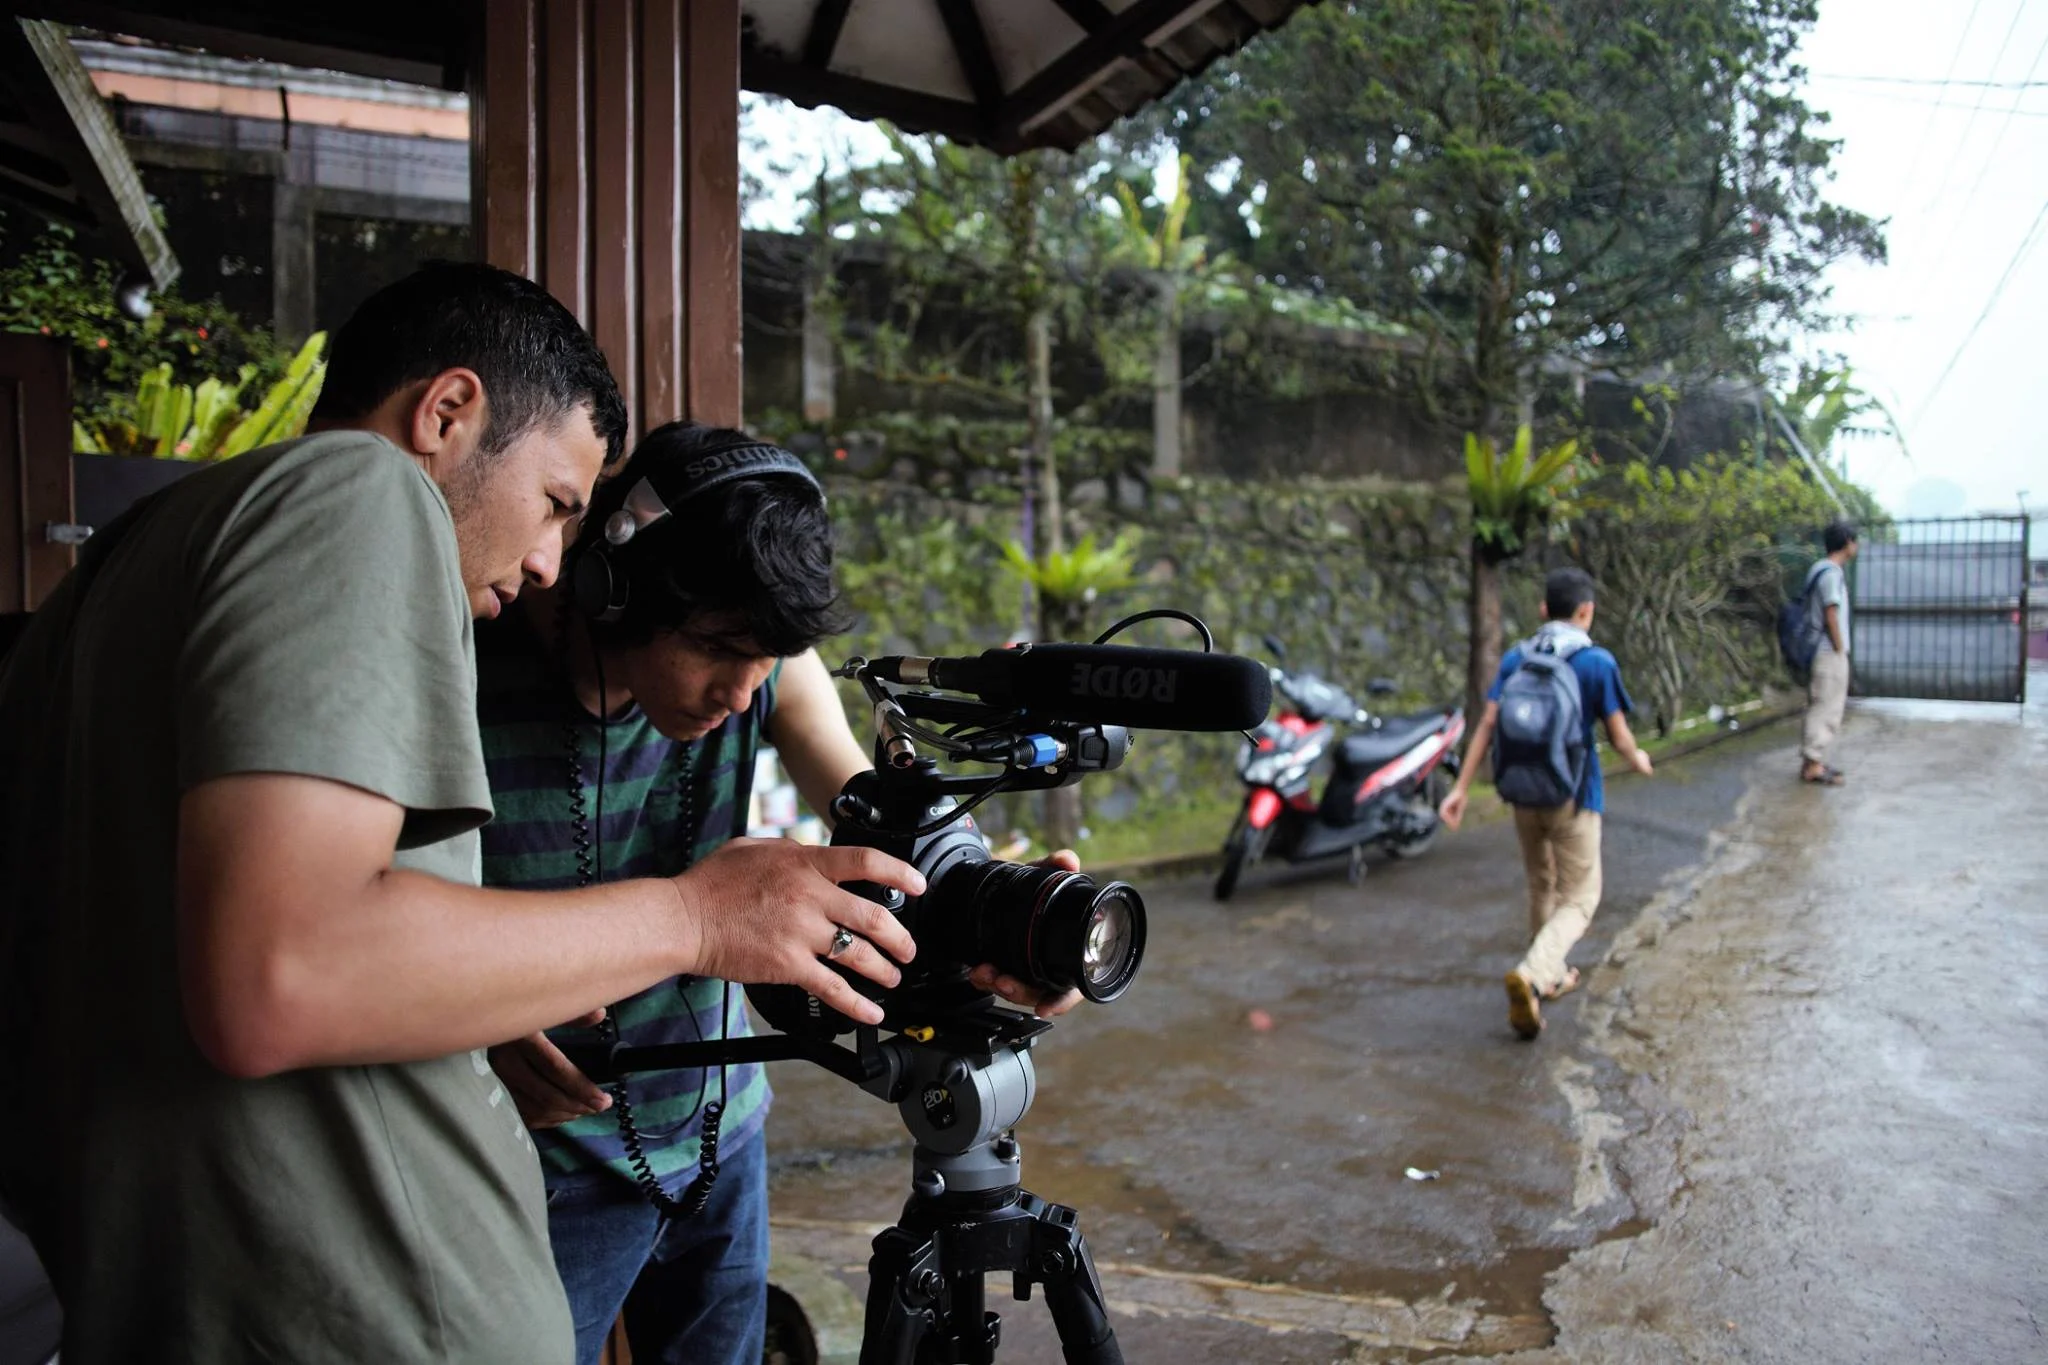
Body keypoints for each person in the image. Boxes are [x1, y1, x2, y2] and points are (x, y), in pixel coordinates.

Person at [0, 264, 923, 1365]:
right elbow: (285, 968)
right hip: (365, 1312)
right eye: (553, 506)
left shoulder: (125, 560)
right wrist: (696, 916)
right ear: (446, 413)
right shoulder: (357, 490)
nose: (546, 566)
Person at [475, 420, 1081, 1365]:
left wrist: (994, 905)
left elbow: (876, 812)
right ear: (613, 586)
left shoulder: (764, 666)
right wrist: (470, 1020)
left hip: (721, 1134)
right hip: (538, 1160)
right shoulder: (469, 669)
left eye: (766, 657)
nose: (740, 690)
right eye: (717, 647)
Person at [1438, 567, 1654, 1039]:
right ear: (1587, 611)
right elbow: (1619, 738)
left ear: (1542, 609)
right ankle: (1535, 973)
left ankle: (1547, 976)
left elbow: (1489, 725)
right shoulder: (1597, 663)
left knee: (1542, 885)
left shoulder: (1518, 657)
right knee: (1580, 897)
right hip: (1573, 797)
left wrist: (1459, 789)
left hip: (1521, 794)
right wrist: (1638, 759)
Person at [1799, 520, 1859, 787]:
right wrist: (1838, 647)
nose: (1856, 546)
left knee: (1821, 703)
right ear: (1847, 542)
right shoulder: (1831, 573)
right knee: (1826, 706)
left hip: (1819, 649)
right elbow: (1830, 613)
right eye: (1854, 540)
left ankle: (1813, 761)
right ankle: (1813, 764)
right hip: (1827, 651)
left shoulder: (1819, 569)